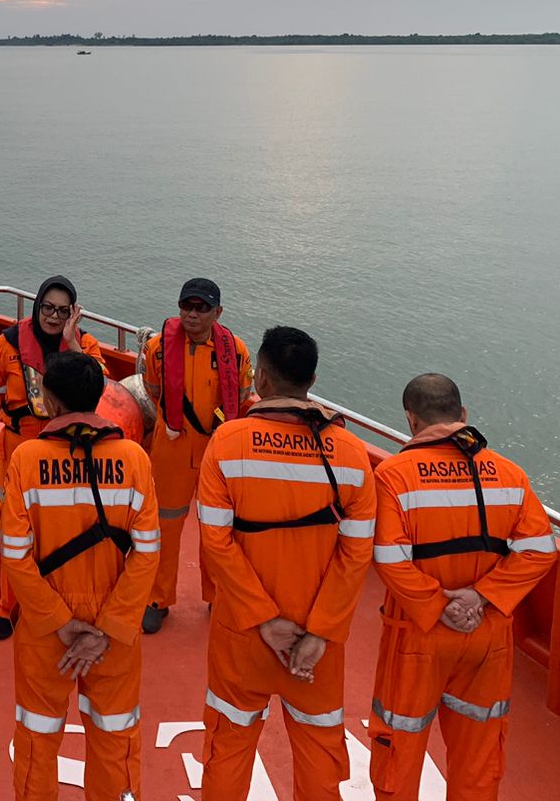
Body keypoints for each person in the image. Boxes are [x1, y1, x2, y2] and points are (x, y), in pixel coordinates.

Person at [195, 325, 376, 801]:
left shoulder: (227, 443)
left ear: (262, 380)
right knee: (320, 757)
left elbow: (216, 543)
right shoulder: (353, 453)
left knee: (228, 749)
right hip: (317, 644)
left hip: (243, 634)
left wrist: (265, 619)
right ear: (312, 379)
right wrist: (319, 631)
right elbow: (356, 553)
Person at [367, 374, 558, 800]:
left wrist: (439, 607)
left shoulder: (394, 476)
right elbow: (540, 551)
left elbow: (388, 557)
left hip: (418, 635)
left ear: (412, 421)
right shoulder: (509, 473)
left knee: (398, 749)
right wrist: (482, 596)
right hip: (487, 634)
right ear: (464, 416)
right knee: (479, 758)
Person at [0, 351, 160, 801]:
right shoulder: (134, 459)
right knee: (115, 736)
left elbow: (14, 555)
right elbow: (147, 555)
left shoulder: (27, 459)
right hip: (115, 621)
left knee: (37, 736)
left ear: (48, 403)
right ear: (103, 399)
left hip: (46, 621)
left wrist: (59, 620)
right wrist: (108, 628)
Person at [0, 275, 108, 640]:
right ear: (37, 306)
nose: (53, 316)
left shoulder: (84, 344)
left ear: (73, 313)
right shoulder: (7, 344)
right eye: (47, 308)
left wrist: (71, 342)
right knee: (12, 526)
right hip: (19, 444)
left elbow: (101, 385)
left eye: (62, 310)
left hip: (67, 449)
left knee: (58, 526)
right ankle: (7, 608)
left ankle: (56, 604)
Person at [140, 277, 256, 634]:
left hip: (216, 449)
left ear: (217, 312)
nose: (192, 314)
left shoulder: (235, 350)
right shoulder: (157, 348)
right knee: (164, 524)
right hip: (171, 447)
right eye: (186, 306)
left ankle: (217, 594)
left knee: (218, 526)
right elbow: (154, 390)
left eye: (201, 308)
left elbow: (243, 393)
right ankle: (158, 599)